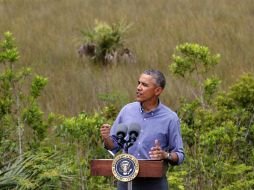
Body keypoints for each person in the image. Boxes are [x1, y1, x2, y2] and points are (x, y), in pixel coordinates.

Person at [100, 69, 184, 190]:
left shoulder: (170, 118)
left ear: (158, 90)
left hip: (154, 184)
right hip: (125, 182)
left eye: (144, 85)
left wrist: (166, 155)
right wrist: (107, 138)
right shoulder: (127, 111)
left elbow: (180, 155)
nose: (138, 88)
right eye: (138, 83)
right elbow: (113, 146)